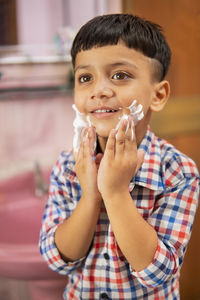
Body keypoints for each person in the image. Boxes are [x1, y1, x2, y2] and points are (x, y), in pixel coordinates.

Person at [39, 14, 199, 299]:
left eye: (120, 75)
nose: (99, 91)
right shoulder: (67, 166)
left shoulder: (178, 172)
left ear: (158, 95)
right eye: (85, 78)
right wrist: (89, 196)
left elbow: (158, 273)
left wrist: (114, 192)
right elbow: (57, 260)